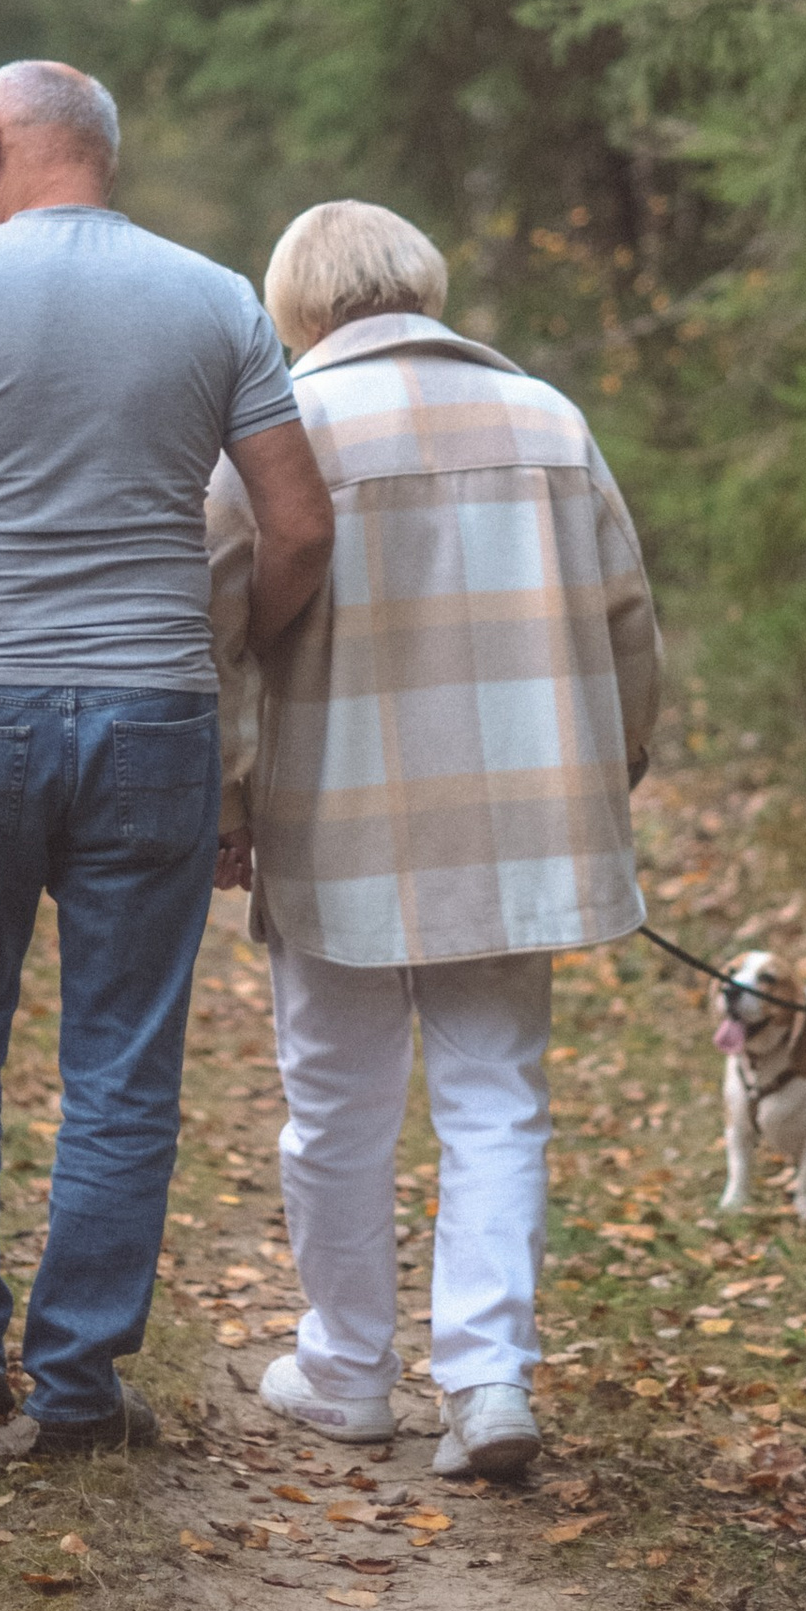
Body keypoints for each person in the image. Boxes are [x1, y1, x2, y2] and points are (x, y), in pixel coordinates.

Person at [0, 61, 334, 1457]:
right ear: (102, 152)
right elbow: (300, 529)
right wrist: (229, 655)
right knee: (122, 1060)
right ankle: (79, 1388)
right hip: (154, 718)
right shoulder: (216, 297)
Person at [209, 201, 660, 1482]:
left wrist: (227, 802)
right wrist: (610, 771)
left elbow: (213, 627)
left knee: (334, 1109)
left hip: (336, 816)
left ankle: (347, 1372)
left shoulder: (273, 437)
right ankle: (489, 1379)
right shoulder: (549, 420)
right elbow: (628, 618)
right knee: (497, 1098)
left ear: (295, 309)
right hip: (518, 822)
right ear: (425, 286)